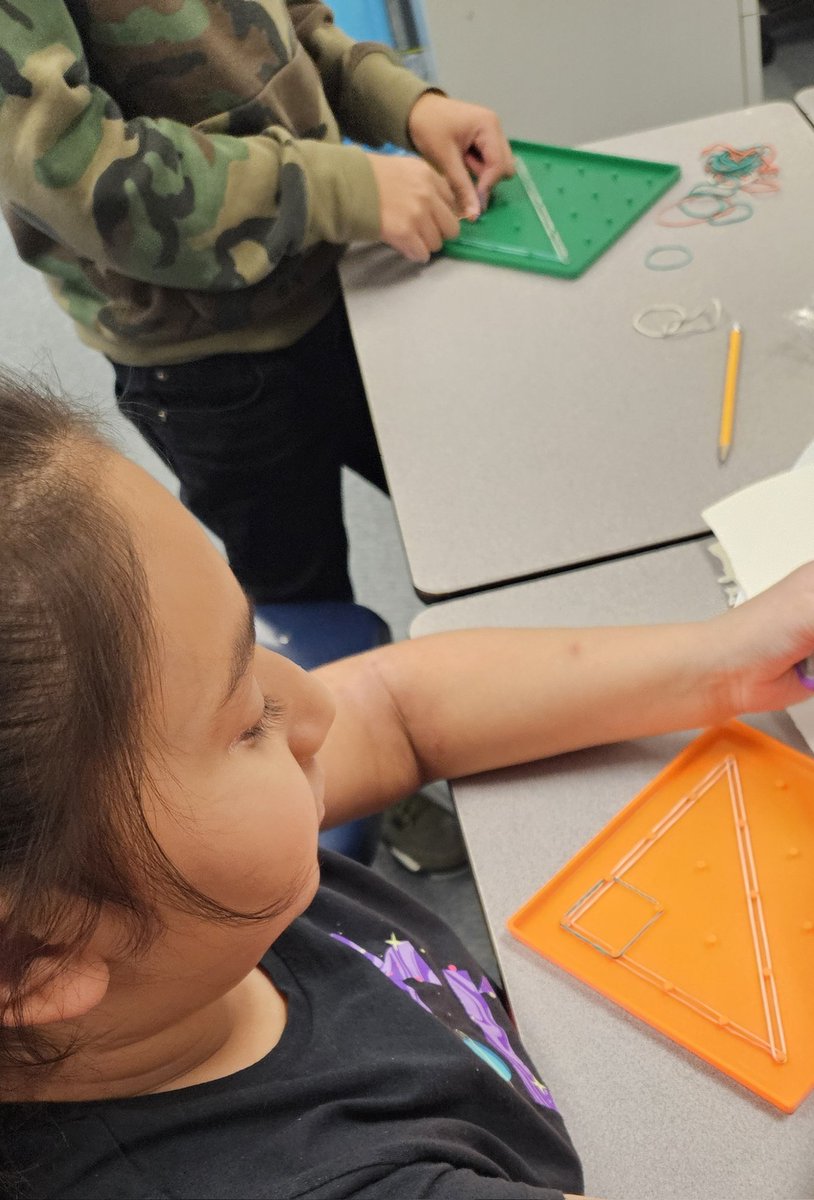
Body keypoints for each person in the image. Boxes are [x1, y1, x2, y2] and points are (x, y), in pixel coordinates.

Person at [3, 375, 814, 1199]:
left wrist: (728, 659)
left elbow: (397, 711)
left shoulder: (142, 920)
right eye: (247, 720)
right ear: (40, 958)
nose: (314, 700)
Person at [0, 0, 514, 605]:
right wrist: (331, 187)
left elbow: (284, 24)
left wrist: (401, 101)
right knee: (303, 602)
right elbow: (72, 169)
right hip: (207, 368)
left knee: (483, 523)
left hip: (338, 282)